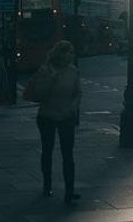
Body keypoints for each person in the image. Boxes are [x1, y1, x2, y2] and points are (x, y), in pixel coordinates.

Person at [28, 40, 82, 204]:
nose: (72, 55)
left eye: (73, 52)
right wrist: (51, 78)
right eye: (70, 52)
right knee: (47, 151)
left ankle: (69, 190)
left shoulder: (73, 71)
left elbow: (78, 93)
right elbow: (39, 94)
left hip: (66, 116)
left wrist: (74, 107)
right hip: (47, 116)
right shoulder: (46, 70)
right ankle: (47, 185)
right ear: (61, 54)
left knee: (68, 155)